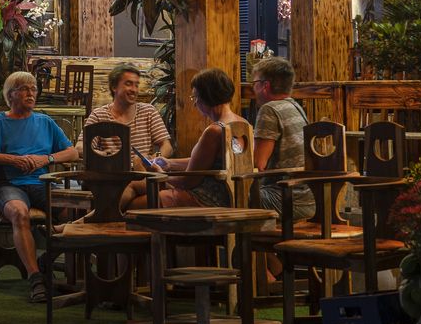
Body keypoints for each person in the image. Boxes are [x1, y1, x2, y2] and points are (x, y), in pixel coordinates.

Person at [0, 71, 78, 303]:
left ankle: (46, 260)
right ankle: (36, 278)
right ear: (11, 95)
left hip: (41, 182)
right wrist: (12, 160)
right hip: (7, 184)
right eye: (24, 89)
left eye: (33, 89)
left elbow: (72, 152)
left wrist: (46, 159)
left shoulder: (45, 121)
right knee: (19, 212)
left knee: (73, 211)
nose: (31, 93)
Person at [129, 69, 246, 209]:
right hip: (230, 197)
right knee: (136, 186)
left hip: (205, 200)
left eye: (195, 97)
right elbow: (208, 163)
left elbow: (188, 182)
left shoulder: (214, 131)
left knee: (133, 204)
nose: (195, 103)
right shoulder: (243, 124)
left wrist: (161, 175)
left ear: (207, 96)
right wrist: (170, 164)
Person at [251, 57, 314, 222]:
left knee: (223, 196)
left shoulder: (269, 109)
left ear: (265, 86)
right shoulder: (295, 106)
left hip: (284, 198)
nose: (253, 89)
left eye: (254, 83)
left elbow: (258, 164)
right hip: (307, 198)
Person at [76, 64, 172, 168]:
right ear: (114, 87)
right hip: (109, 173)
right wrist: (103, 154)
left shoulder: (149, 111)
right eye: (128, 84)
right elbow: (80, 148)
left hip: (142, 172)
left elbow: (167, 147)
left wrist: (152, 160)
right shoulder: (98, 115)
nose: (134, 90)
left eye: (136, 85)